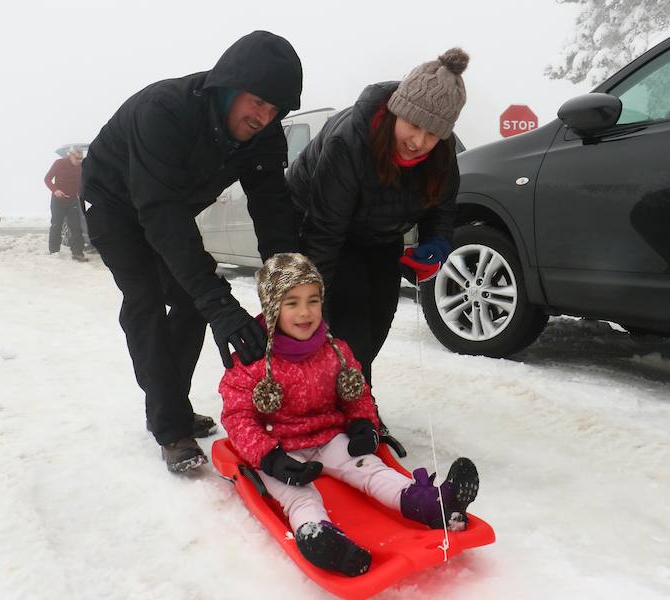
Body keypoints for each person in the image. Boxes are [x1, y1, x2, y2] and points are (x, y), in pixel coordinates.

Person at [81, 31, 303, 473]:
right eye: (257, 101)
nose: (263, 116)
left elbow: (273, 210)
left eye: (274, 108)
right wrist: (221, 303)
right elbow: (160, 215)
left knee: (188, 301)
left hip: (170, 207)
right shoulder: (164, 112)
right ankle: (170, 426)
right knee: (145, 299)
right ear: (229, 86)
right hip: (113, 204)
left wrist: (289, 291)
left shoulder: (264, 136)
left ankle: (171, 403)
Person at [220, 253, 480, 577]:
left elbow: (356, 394)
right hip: (280, 448)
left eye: (313, 300)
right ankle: (320, 538)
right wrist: (269, 458)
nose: (305, 312)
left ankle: (433, 504)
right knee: (299, 496)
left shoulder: (335, 350)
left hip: (330, 438)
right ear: (273, 308)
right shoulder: (253, 361)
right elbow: (238, 417)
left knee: (372, 470)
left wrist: (362, 424)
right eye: (292, 303)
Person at [287, 48, 468, 387]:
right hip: (323, 225)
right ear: (396, 112)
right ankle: (358, 409)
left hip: (380, 233)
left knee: (380, 316)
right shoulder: (350, 142)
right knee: (350, 315)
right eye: (413, 126)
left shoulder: (442, 152)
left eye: (432, 134)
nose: (419, 141)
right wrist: (311, 307)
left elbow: (442, 207)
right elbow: (324, 233)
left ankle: (348, 391)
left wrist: (437, 243)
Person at [44, 146, 87, 261]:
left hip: (72, 200)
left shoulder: (81, 167)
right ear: (70, 155)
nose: (79, 161)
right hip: (58, 200)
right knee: (56, 225)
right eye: (77, 158)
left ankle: (77, 253)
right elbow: (47, 179)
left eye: (81, 158)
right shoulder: (59, 163)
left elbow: (83, 181)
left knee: (76, 227)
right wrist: (55, 190)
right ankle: (54, 251)